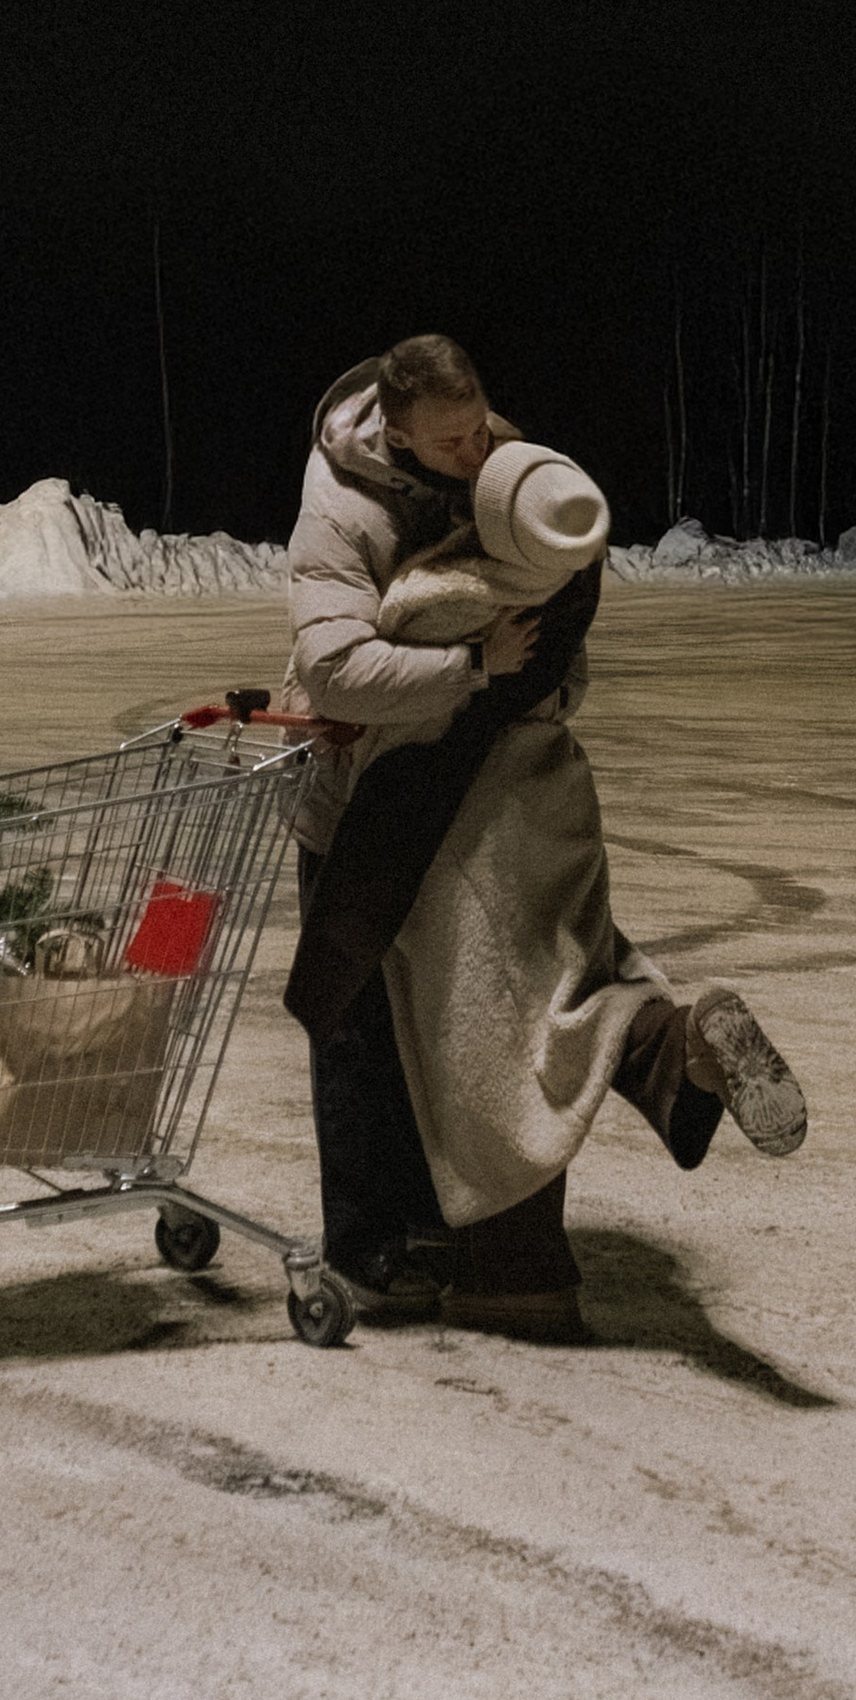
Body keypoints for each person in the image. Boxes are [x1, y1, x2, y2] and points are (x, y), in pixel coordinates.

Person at [284, 333, 806, 1337]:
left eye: (480, 428)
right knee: (527, 999)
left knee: (475, 1029)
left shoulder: (511, 475)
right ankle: (673, 1050)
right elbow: (337, 668)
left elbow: (552, 615)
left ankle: (463, 1258)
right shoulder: (340, 506)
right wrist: (477, 671)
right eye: (449, 441)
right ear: (392, 431)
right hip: (397, 798)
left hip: (454, 813)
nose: (473, 451)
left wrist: (522, 674)